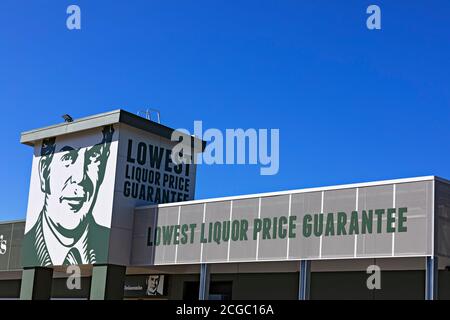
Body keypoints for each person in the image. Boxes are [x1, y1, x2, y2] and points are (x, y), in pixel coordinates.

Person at [22, 125, 114, 266]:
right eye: (68, 158)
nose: (80, 178)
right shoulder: (26, 245)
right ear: (44, 172)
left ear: (102, 170)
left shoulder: (114, 243)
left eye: (93, 157)